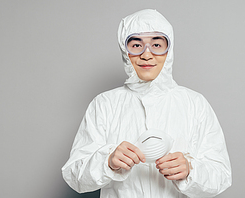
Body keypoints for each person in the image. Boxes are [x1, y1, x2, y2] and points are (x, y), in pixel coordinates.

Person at [62, 9, 232, 197]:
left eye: (157, 44)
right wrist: (107, 161)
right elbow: (73, 176)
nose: (147, 54)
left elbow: (221, 176)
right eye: (136, 45)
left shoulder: (195, 104)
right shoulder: (104, 104)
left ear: (170, 49)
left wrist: (190, 169)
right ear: (125, 50)